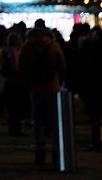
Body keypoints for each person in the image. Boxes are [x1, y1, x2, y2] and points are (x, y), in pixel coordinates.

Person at [18, 19, 67, 166]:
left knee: (37, 120)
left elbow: (22, 68)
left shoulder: (27, 47)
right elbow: (62, 66)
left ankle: (40, 151)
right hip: (52, 86)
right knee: (54, 120)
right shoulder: (53, 46)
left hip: (35, 87)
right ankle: (55, 151)